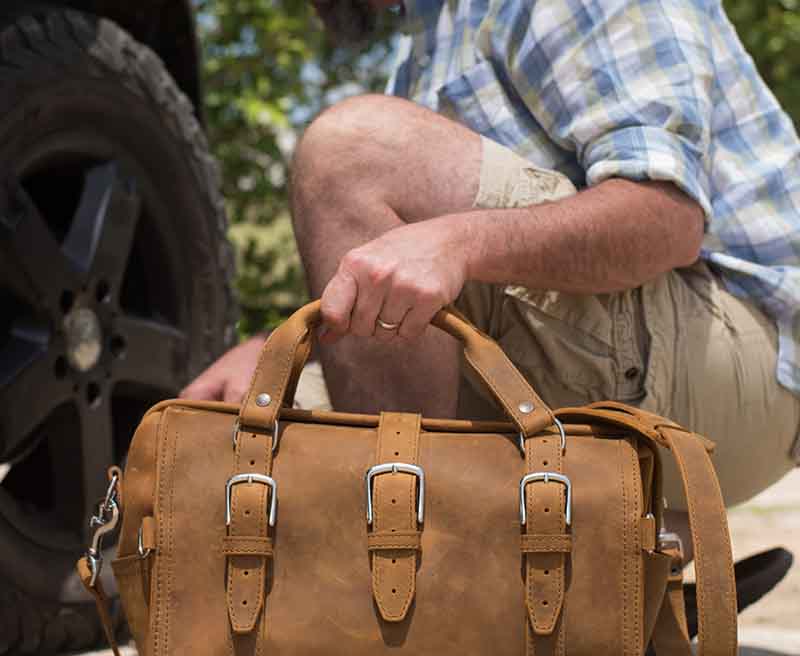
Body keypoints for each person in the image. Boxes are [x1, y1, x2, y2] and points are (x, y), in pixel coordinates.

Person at [182, 0, 799, 585]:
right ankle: (603, 572)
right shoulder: (430, 37)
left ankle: (442, 607)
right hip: (622, 346)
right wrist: (280, 351)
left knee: (352, 150)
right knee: (236, 440)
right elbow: (401, 282)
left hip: (741, 356)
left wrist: (455, 243)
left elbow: (666, 222)